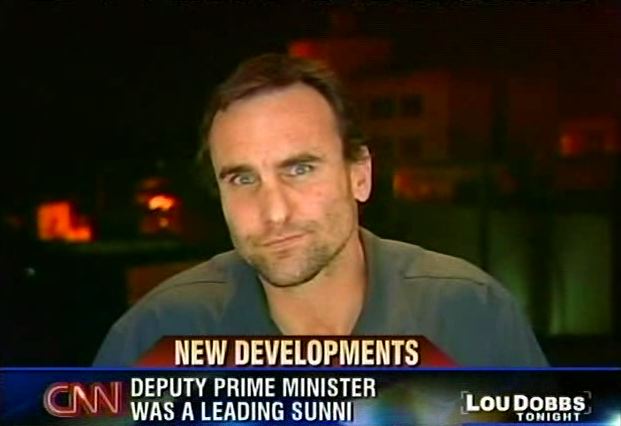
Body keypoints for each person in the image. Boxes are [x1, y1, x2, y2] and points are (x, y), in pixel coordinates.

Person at [94, 53, 547, 367]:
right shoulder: (156, 336)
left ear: (360, 175)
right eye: (243, 179)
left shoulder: (470, 314)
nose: (274, 212)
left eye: (300, 169)